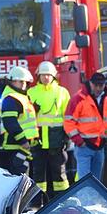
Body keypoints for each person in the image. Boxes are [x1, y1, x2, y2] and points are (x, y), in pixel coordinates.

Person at [64, 71, 107, 195]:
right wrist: (79, 141)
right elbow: (68, 122)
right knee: (85, 182)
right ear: (90, 83)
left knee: (96, 182)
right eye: (96, 85)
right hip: (84, 146)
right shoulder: (79, 99)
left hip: (99, 146)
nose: (98, 88)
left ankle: (93, 206)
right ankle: (85, 207)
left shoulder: (106, 98)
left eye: (101, 85)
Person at [27, 61, 71, 201]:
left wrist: (67, 136)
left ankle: (62, 200)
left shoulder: (62, 92)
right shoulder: (31, 92)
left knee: (59, 171)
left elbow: (68, 116)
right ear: (38, 76)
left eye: (48, 75)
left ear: (53, 76)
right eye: (43, 75)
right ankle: (38, 202)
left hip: (56, 137)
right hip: (37, 137)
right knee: (38, 172)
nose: (46, 77)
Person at [0, 66, 38, 176]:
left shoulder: (21, 97)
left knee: (24, 177)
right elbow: (10, 123)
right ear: (12, 81)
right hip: (15, 146)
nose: (23, 84)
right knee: (18, 178)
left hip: (23, 146)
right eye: (20, 81)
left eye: (25, 82)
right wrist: (23, 141)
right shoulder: (11, 99)